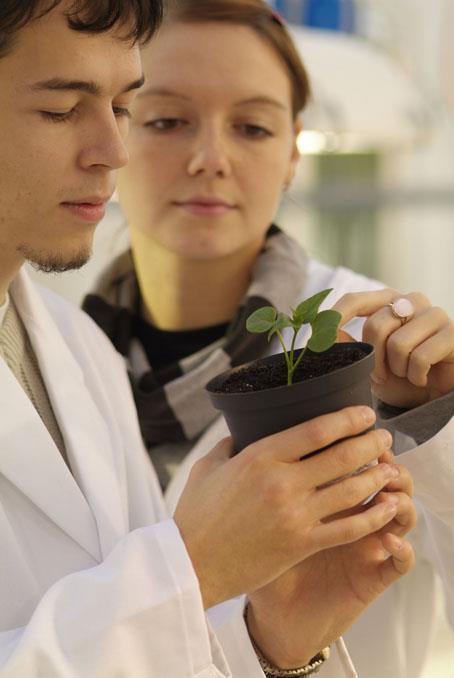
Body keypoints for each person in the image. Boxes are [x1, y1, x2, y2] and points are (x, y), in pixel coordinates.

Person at [0, 2, 418, 677]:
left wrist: (274, 647)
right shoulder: (100, 344)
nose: (115, 150)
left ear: (293, 150)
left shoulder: (78, 351)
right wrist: (194, 568)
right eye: (61, 110)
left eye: (122, 107)